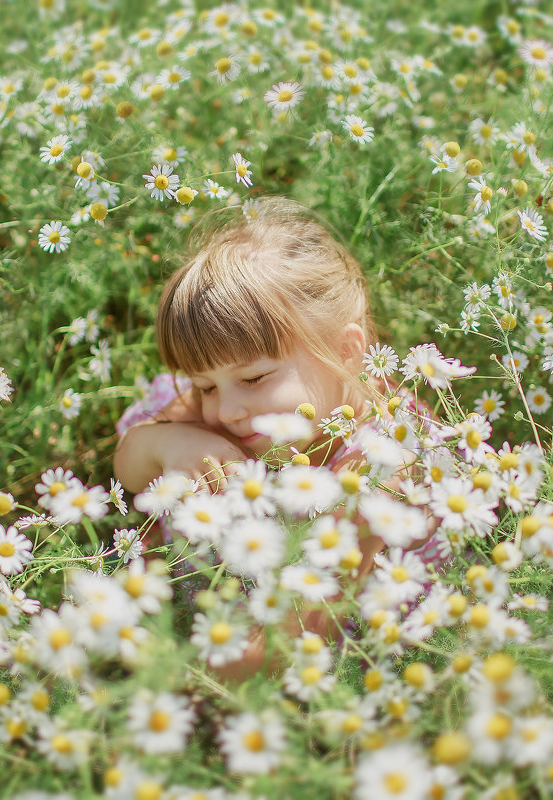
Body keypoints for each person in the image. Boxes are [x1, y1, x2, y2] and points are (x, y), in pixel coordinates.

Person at [112, 196, 441, 678]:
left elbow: (280, 650)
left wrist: (175, 680)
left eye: (253, 379)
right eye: (204, 386)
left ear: (346, 353)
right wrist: (169, 445)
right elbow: (128, 465)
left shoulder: (382, 471)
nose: (225, 410)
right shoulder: (223, 409)